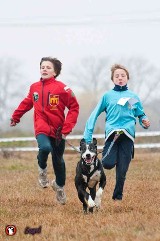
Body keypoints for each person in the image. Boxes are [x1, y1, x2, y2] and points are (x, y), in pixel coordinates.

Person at [10, 57, 79, 205]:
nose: (44, 69)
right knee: (45, 147)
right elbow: (27, 103)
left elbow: (74, 107)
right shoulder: (34, 87)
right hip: (41, 126)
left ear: (55, 72)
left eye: (48, 67)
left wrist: (66, 129)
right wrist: (16, 117)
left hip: (58, 130)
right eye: (42, 67)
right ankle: (42, 171)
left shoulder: (63, 88)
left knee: (58, 161)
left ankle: (59, 187)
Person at [83, 64, 150, 201]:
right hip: (112, 134)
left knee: (122, 171)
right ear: (113, 79)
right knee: (107, 163)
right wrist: (87, 138)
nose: (120, 78)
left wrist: (144, 121)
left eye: (123, 76)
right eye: (117, 76)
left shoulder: (132, 97)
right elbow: (94, 115)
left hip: (127, 136)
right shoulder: (107, 96)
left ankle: (117, 197)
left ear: (127, 78)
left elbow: (140, 114)